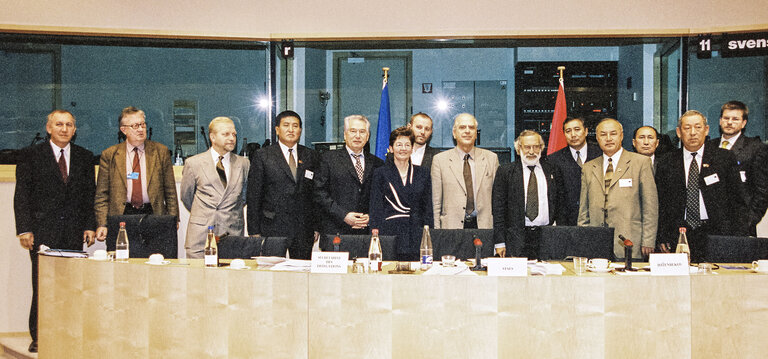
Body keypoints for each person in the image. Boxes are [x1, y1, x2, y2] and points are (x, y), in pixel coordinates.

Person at [13, 110, 96, 353]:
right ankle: (39, 335)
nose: (64, 129)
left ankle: (68, 332)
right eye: (59, 124)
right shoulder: (31, 155)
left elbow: (88, 196)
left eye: (69, 125)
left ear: (75, 129)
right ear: (48, 128)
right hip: (41, 231)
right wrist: (24, 229)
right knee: (42, 285)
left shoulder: (84, 156)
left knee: (71, 285)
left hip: (73, 231)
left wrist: (90, 225)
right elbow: (22, 196)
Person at [656, 110, 747, 262]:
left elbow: (738, 200)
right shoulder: (667, 162)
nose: (693, 133)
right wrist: (662, 236)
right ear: (679, 132)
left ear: (706, 130)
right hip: (679, 233)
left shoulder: (724, 158)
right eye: (687, 128)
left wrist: (737, 236)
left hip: (717, 233)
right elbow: (661, 203)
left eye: (698, 127)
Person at [94, 106, 179, 241]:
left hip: (153, 214)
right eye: (135, 126)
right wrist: (102, 223)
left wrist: (173, 218)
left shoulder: (160, 151)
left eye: (142, 124)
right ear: (124, 130)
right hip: (122, 215)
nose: (140, 129)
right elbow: (102, 195)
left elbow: (170, 191)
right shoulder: (110, 155)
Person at [578, 118, 658, 260]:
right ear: (597, 138)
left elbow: (650, 207)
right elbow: (584, 212)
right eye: (603, 135)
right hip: (597, 244)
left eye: (613, 134)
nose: (608, 139)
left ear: (621, 136)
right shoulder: (588, 167)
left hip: (629, 243)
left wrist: (648, 240)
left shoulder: (640, 163)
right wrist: (583, 241)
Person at [247, 111, 319, 259]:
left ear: (300, 130)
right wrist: (253, 230)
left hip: (303, 228)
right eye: (286, 125)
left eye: (295, 126)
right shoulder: (263, 156)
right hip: (271, 227)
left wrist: (317, 226)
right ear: (277, 129)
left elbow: (316, 195)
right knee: (271, 275)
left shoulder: (311, 156)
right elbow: (254, 195)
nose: (291, 130)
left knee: (301, 274)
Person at [180, 117, 250, 258]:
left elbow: (243, 197)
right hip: (201, 235)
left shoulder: (243, 164)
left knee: (230, 279)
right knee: (199, 278)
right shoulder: (194, 163)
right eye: (226, 134)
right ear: (212, 137)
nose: (231, 138)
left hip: (231, 233)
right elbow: (187, 197)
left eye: (234, 134)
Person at [492, 130, 564, 258]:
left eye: (536, 147)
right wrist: (499, 242)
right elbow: (498, 210)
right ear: (519, 149)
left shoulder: (553, 170)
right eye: (527, 147)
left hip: (547, 238)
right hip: (516, 240)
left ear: (541, 148)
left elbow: (561, 206)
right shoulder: (505, 171)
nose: (531, 151)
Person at [314, 115, 384, 243]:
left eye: (362, 132)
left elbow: (382, 196)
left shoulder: (378, 163)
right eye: (353, 131)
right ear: (345, 135)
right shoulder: (328, 159)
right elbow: (319, 193)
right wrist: (344, 216)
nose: (358, 136)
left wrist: (371, 216)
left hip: (367, 233)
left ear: (367, 136)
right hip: (335, 232)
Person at [369, 126, 433, 261]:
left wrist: (428, 233)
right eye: (398, 144)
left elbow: (427, 208)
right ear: (391, 148)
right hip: (389, 235)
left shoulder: (423, 173)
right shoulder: (380, 173)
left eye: (407, 145)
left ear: (412, 148)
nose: (403, 148)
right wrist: (375, 236)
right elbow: (376, 208)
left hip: (416, 235)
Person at [706, 101, 768, 234]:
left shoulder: (756, 148)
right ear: (720, 120)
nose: (729, 122)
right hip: (710, 224)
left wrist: (748, 221)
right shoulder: (709, 147)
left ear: (744, 123)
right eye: (726, 118)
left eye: (735, 119)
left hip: (740, 224)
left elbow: (762, 191)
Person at [431, 113, 499, 229]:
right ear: (454, 133)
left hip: (484, 227)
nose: (467, 131)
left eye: (471, 127)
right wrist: (437, 233)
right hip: (451, 228)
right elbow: (436, 203)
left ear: (476, 133)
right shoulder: (440, 160)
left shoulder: (491, 159)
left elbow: (498, 201)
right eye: (462, 127)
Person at [545, 117, 601, 226]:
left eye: (577, 129)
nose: (573, 135)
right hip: (566, 221)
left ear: (586, 131)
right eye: (568, 131)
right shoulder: (554, 159)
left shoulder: (600, 154)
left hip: (596, 218)